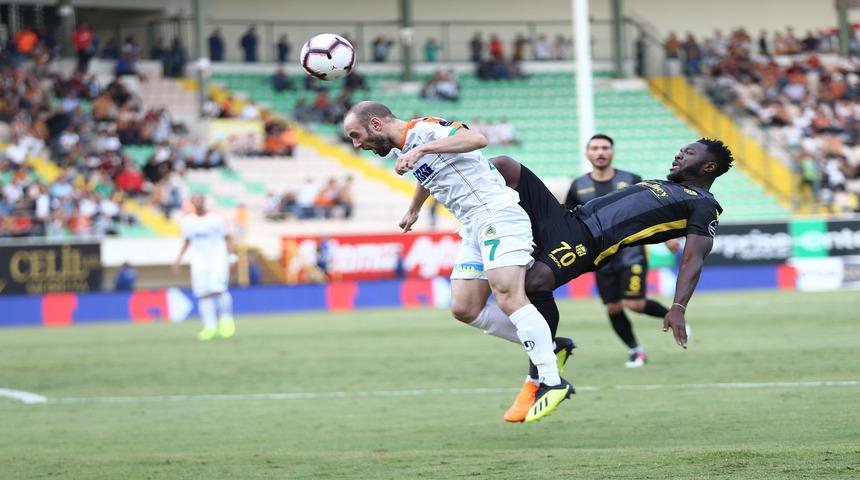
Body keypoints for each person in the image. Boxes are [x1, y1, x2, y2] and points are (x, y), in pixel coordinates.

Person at [343, 102, 573, 423]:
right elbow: (431, 172)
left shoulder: (424, 130)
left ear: (377, 124)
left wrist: (421, 149)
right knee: (465, 307)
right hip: (471, 227)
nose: (357, 144)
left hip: (497, 214)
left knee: (508, 297)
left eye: (356, 135)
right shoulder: (406, 148)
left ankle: (550, 380)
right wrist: (415, 207)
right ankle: (548, 345)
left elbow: (476, 139)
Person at [490, 138, 731, 421]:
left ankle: (541, 375)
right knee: (506, 165)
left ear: (709, 166)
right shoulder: (661, 183)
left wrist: (678, 307)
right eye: (681, 150)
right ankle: (441, 175)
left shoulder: (704, 205)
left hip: (589, 240)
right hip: (567, 217)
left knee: (533, 284)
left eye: (688, 153)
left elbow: (694, 258)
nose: (679, 155)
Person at [564, 134, 678, 368]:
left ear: (612, 152)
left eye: (605, 147)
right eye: (595, 148)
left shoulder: (631, 179)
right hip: (600, 257)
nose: (600, 152)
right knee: (613, 307)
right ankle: (636, 351)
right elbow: (569, 220)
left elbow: (653, 208)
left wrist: (669, 236)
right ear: (587, 154)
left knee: (634, 304)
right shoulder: (578, 185)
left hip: (630, 252)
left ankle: (675, 318)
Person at [173, 194, 236, 341]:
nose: (198, 202)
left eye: (200, 199)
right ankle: (210, 327)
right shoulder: (188, 221)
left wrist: (231, 257)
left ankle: (226, 321)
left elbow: (228, 238)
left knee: (219, 290)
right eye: (195, 200)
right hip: (199, 261)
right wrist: (178, 260)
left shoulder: (217, 218)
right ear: (192, 203)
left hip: (217, 259)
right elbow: (187, 240)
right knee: (203, 294)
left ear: (204, 201)